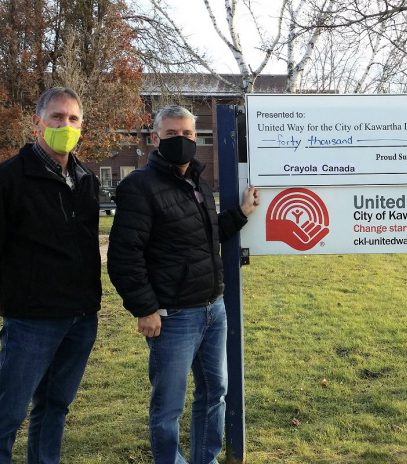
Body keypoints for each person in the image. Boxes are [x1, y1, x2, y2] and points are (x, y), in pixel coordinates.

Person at [107, 105, 259, 464]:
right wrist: (144, 308)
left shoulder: (198, 184)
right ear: (156, 138)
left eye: (188, 134)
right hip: (173, 317)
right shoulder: (138, 187)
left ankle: (204, 459)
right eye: (172, 134)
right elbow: (124, 257)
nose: (182, 141)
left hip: (212, 309)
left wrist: (240, 213)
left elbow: (206, 235)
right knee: (168, 408)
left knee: (214, 394)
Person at [0, 87, 101, 463]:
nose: (65, 125)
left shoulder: (86, 179)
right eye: (57, 117)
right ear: (37, 123)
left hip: (80, 317)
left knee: (55, 407)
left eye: (73, 119)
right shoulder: (11, 178)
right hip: (32, 320)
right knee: (7, 414)